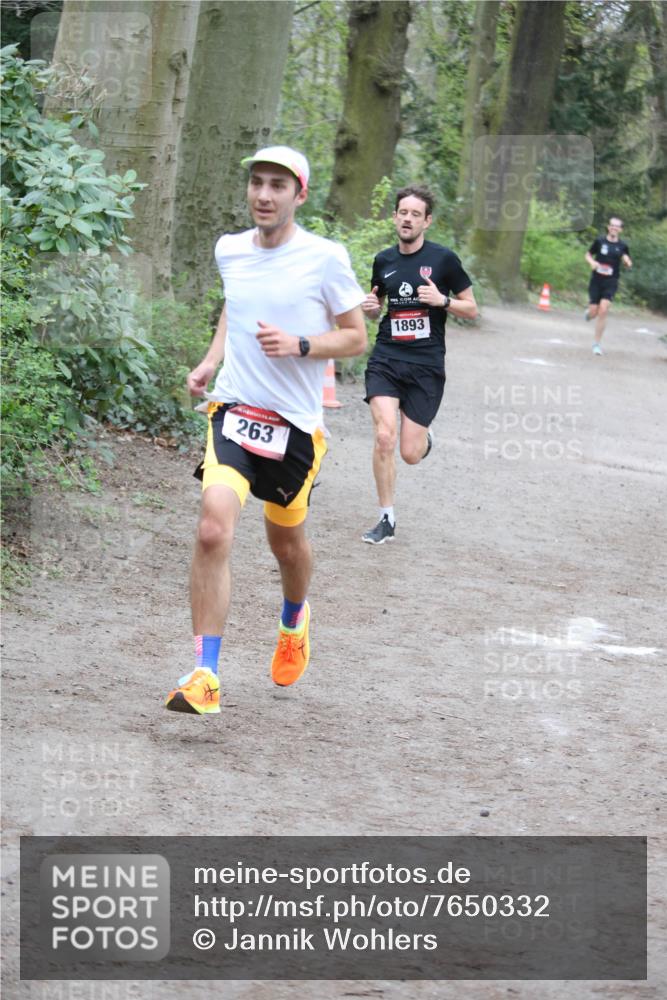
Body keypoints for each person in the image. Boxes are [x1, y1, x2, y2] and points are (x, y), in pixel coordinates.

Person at [165, 145, 366, 715]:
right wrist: (211, 361)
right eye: (257, 183)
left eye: (278, 185)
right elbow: (236, 306)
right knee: (212, 530)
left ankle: (294, 618)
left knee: (287, 543)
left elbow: (355, 337)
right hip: (234, 410)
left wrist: (301, 344)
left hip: (294, 428)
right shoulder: (230, 249)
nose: (263, 195)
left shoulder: (325, 259)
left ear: (300, 194)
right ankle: (205, 675)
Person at [360, 185, 477, 544]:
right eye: (403, 213)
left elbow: (472, 309)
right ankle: (386, 518)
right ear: (394, 217)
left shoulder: (444, 260)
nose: (407, 219)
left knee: (410, 453)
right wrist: (371, 309)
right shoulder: (383, 261)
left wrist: (443, 301)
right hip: (386, 358)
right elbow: (378, 305)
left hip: (426, 364)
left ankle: (424, 439)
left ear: (427, 221)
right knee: (384, 436)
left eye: (415, 214)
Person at [584, 217, 632, 355]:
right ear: (608, 227)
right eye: (612, 225)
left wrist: (627, 262)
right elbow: (588, 255)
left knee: (603, 309)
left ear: (620, 229)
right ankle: (589, 314)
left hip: (611, 281)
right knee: (594, 312)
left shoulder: (623, 246)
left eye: (617, 226)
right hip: (596, 281)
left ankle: (596, 344)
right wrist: (592, 262)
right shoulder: (599, 241)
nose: (614, 228)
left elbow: (627, 259)